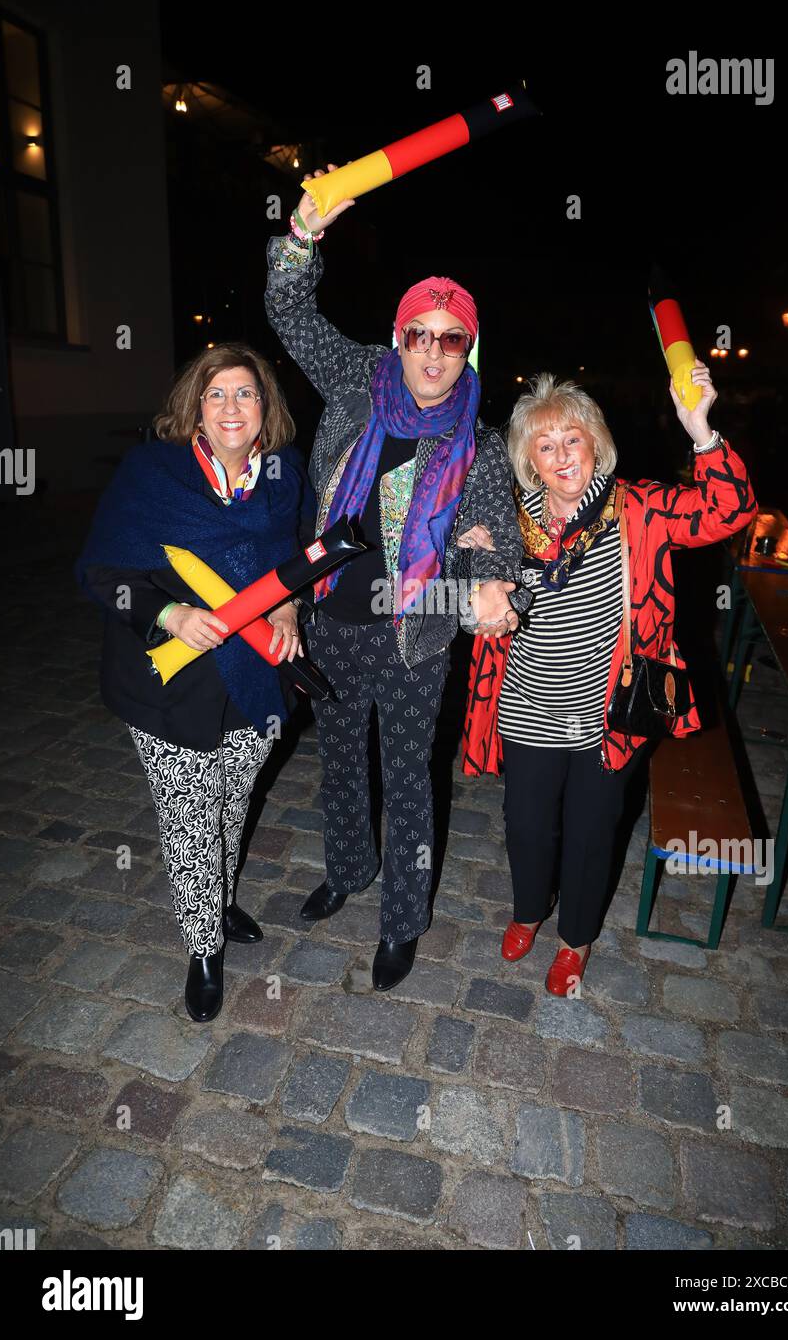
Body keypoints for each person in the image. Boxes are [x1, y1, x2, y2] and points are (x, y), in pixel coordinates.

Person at [264, 165, 523, 991]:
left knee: (409, 778)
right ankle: (348, 871)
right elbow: (289, 314)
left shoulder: (478, 443)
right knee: (340, 758)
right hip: (335, 616)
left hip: (416, 633)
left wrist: (490, 579)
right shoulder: (356, 385)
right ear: (400, 336)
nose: (436, 353)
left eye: (454, 339)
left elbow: (492, 541)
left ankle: (403, 918)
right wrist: (302, 238)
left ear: (467, 349)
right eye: (423, 334)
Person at [462, 362, 757, 994]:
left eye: (573, 438)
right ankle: (527, 910)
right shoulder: (508, 521)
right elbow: (460, 599)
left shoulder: (643, 507)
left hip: (607, 715)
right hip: (524, 707)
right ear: (529, 460)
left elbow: (729, 510)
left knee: (594, 833)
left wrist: (701, 430)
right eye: (545, 445)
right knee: (526, 822)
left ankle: (576, 940)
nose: (562, 455)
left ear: (597, 442)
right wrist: (477, 595)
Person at [76, 344, 315, 1022]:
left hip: (254, 680)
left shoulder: (282, 474)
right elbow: (99, 572)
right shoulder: (153, 474)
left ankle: (219, 896)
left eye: (245, 393)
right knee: (189, 817)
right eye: (216, 394)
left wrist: (291, 604)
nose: (231, 406)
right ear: (195, 409)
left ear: (265, 410)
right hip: (166, 682)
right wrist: (169, 611)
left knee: (231, 806)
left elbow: (298, 554)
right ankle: (203, 947)